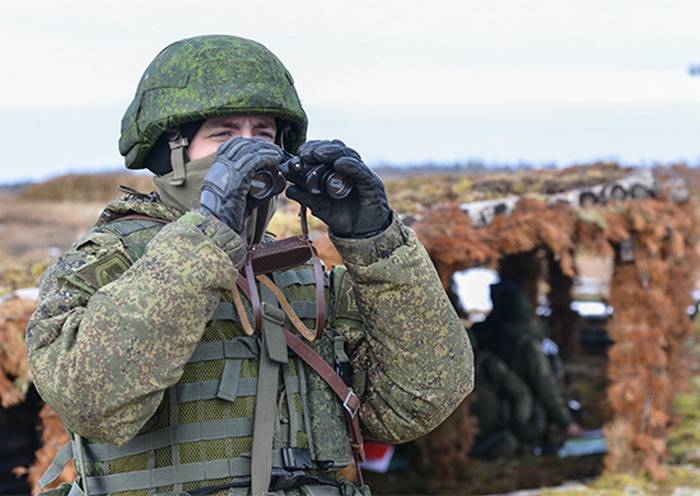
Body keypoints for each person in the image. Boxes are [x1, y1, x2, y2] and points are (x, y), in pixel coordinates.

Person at [26, 35, 473, 496]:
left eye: (262, 134)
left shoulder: (304, 276)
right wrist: (207, 238)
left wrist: (376, 241)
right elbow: (93, 402)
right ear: (171, 154)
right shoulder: (108, 262)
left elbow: (421, 399)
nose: (248, 152)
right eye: (223, 134)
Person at [470, 279, 582, 455]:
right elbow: (546, 388)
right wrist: (567, 423)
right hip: (517, 417)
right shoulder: (527, 344)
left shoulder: (485, 333)